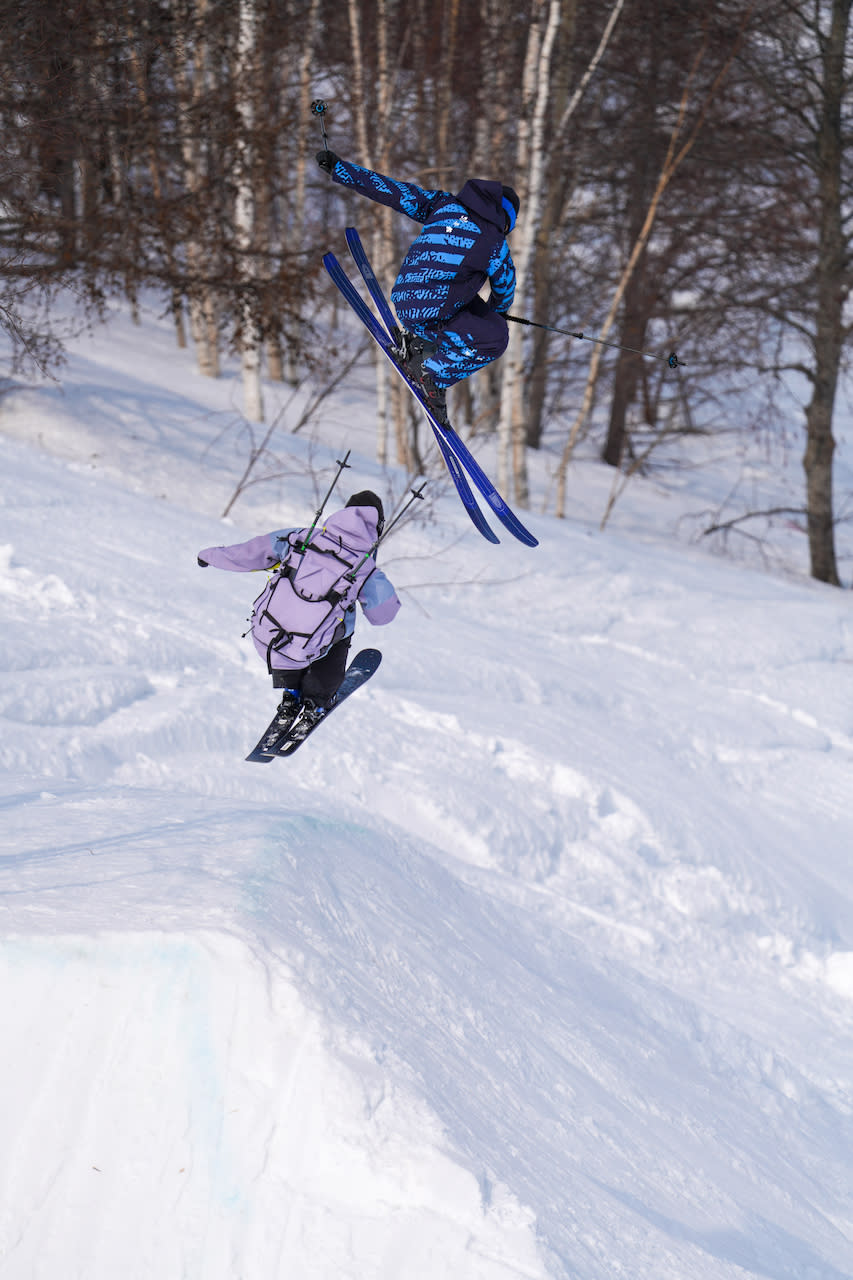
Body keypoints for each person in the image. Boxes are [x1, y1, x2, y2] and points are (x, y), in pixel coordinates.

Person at [317, 150, 519, 426]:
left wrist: (340, 169)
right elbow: (505, 288)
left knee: (466, 297)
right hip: (433, 313)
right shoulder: (494, 241)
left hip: (404, 298)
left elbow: (394, 191)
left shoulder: (443, 205)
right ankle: (431, 374)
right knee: (495, 338)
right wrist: (497, 314)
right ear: (505, 220)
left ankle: (422, 346)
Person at [197, 491, 400, 737]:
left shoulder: (302, 538)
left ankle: (290, 694)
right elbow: (382, 615)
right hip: (308, 647)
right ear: (377, 527)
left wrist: (209, 556)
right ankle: (317, 699)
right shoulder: (363, 567)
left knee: (292, 620)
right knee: (340, 627)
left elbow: (251, 552)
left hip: (266, 638)